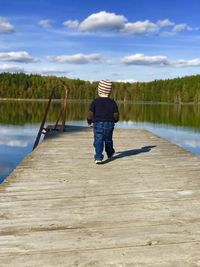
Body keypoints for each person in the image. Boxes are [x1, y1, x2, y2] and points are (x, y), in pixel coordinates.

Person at [87, 80, 119, 164]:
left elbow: (90, 114)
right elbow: (116, 114)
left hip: (97, 124)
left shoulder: (95, 101)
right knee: (108, 140)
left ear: (99, 90)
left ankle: (98, 157)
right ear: (110, 91)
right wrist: (115, 120)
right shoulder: (112, 102)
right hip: (109, 124)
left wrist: (89, 121)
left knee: (98, 140)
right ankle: (110, 152)